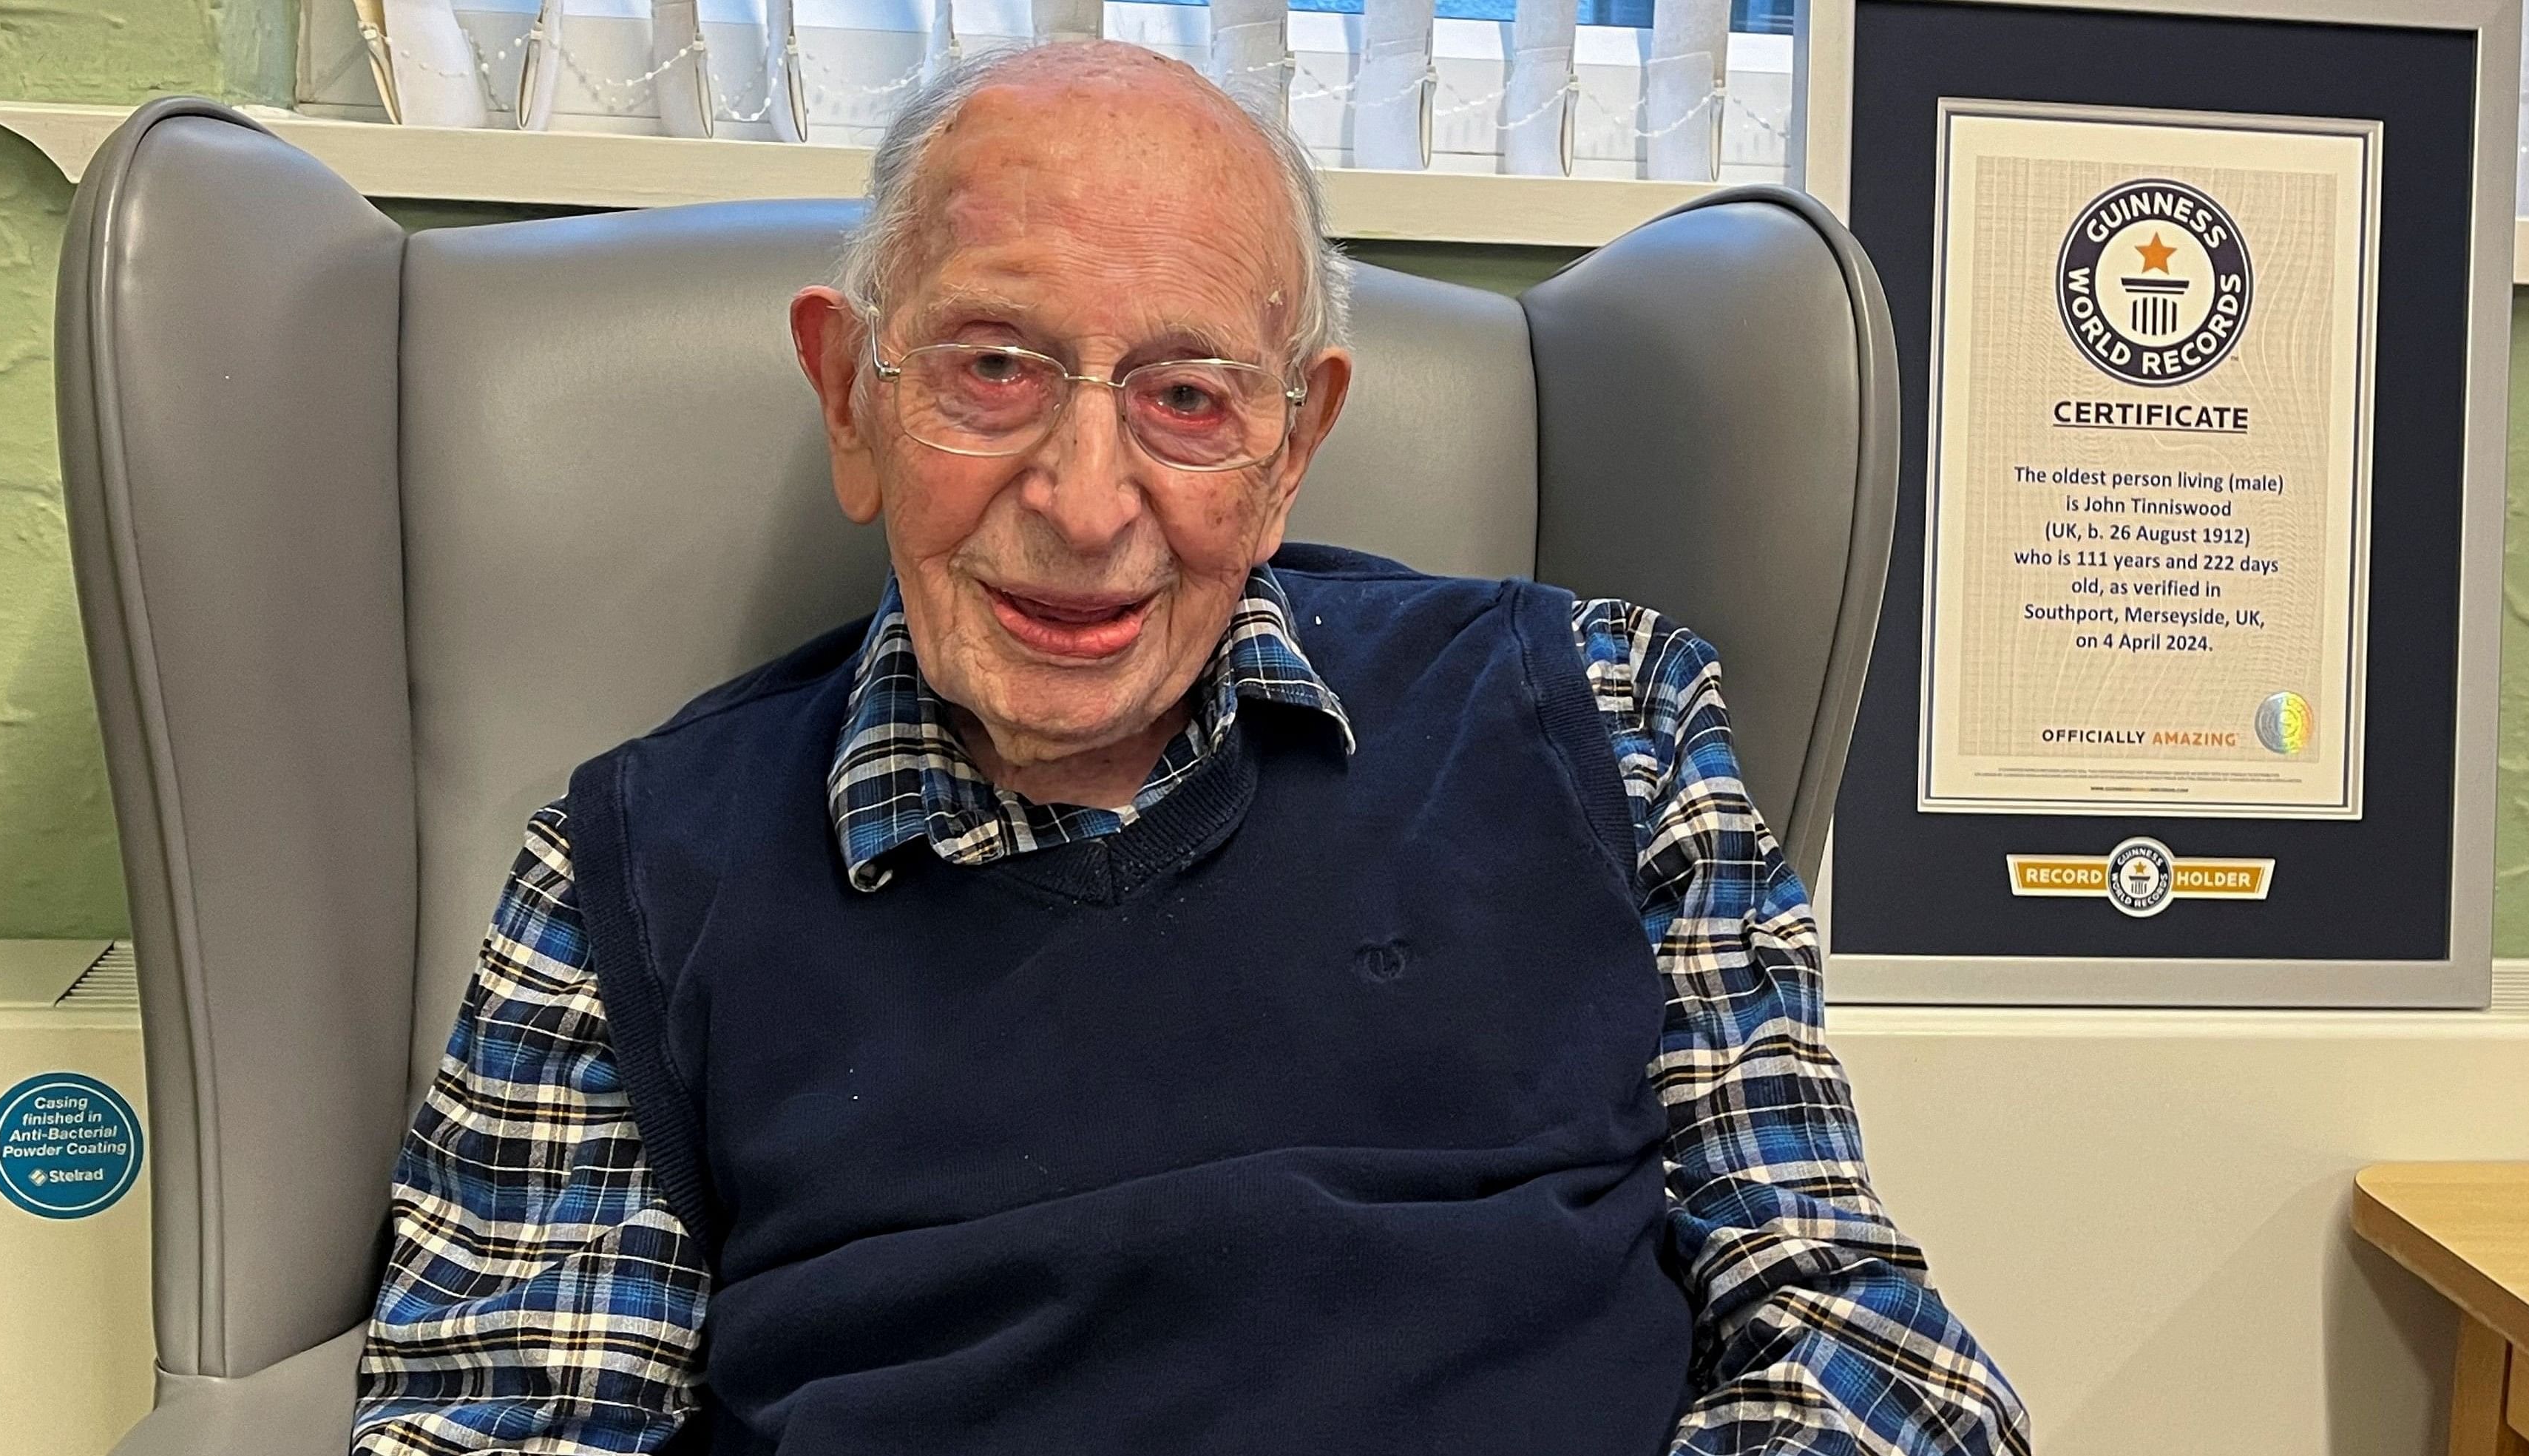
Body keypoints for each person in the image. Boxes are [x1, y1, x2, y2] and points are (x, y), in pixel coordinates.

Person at [351, 39, 2025, 1456]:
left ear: (1295, 447)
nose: (1086, 506)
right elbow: (500, 1425)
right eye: (991, 368)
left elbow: (1868, 1350)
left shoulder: (1600, 715)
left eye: (1190, 398)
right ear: (848, 397)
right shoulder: (630, 876)